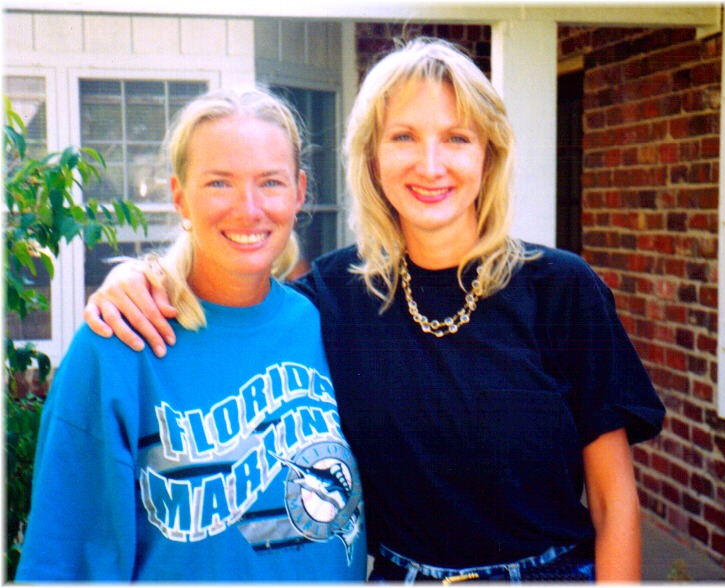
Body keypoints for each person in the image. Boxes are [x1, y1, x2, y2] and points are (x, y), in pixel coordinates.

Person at [84, 39, 665, 583]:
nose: (430, 165)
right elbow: (234, 299)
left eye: (457, 138)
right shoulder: (331, 297)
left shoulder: (562, 290)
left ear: (489, 155)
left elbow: (613, 503)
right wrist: (141, 274)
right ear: (372, 157)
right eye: (404, 137)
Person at [17, 88, 367, 581]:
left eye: (270, 182)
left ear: (299, 192)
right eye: (220, 183)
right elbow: (63, 565)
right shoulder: (118, 344)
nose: (249, 208)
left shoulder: (322, 322)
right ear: (180, 195)